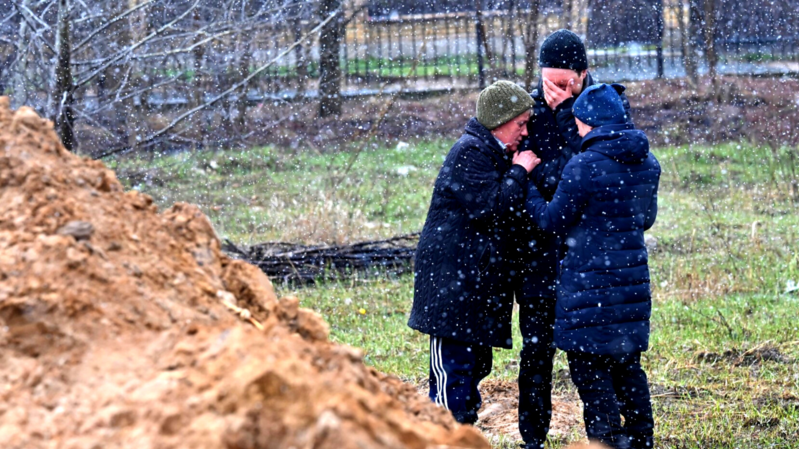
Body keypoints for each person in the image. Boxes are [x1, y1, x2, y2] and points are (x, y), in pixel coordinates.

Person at [513, 29, 634, 449]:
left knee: (600, 357)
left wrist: (567, 114)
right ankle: (533, 439)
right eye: (550, 82)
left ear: (584, 73)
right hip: (540, 254)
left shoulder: (605, 108)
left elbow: (583, 171)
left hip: (590, 261)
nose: (555, 92)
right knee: (536, 354)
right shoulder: (529, 111)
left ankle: (606, 439)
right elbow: (531, 170)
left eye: (566, 83)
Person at [524, 83, 661, 449]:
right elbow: (645, 218)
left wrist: (528, 185)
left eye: (580, 124)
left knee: (592, 375)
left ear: (589, 123)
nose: (578, 131)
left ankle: (605, 442)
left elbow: (552, 220)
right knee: (628, 368)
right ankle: (641, 440)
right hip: (630, 288)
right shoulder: (647, 162)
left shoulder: (583, 166)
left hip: (589, 292)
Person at [408, 80, 540, 425]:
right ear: (499, 121)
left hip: (471, 284)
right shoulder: (470, 152)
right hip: (452, 285)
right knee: (454, 368)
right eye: (520, 124)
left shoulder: (491, 151)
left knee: (474, 364)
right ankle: (446, 434)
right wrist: (519, 171)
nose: (525, 133)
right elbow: (491, 208)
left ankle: (460, 429)